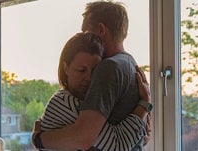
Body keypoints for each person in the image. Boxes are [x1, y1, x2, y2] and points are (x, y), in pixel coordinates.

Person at [33, 1, 152, 150]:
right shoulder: (132, 65)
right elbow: (143, 137)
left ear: (101, 29)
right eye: (81, 70)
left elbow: (85, 139)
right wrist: (145, 106)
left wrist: (39, 139)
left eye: (85, 32)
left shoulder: (108, 67)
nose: (89, 78)